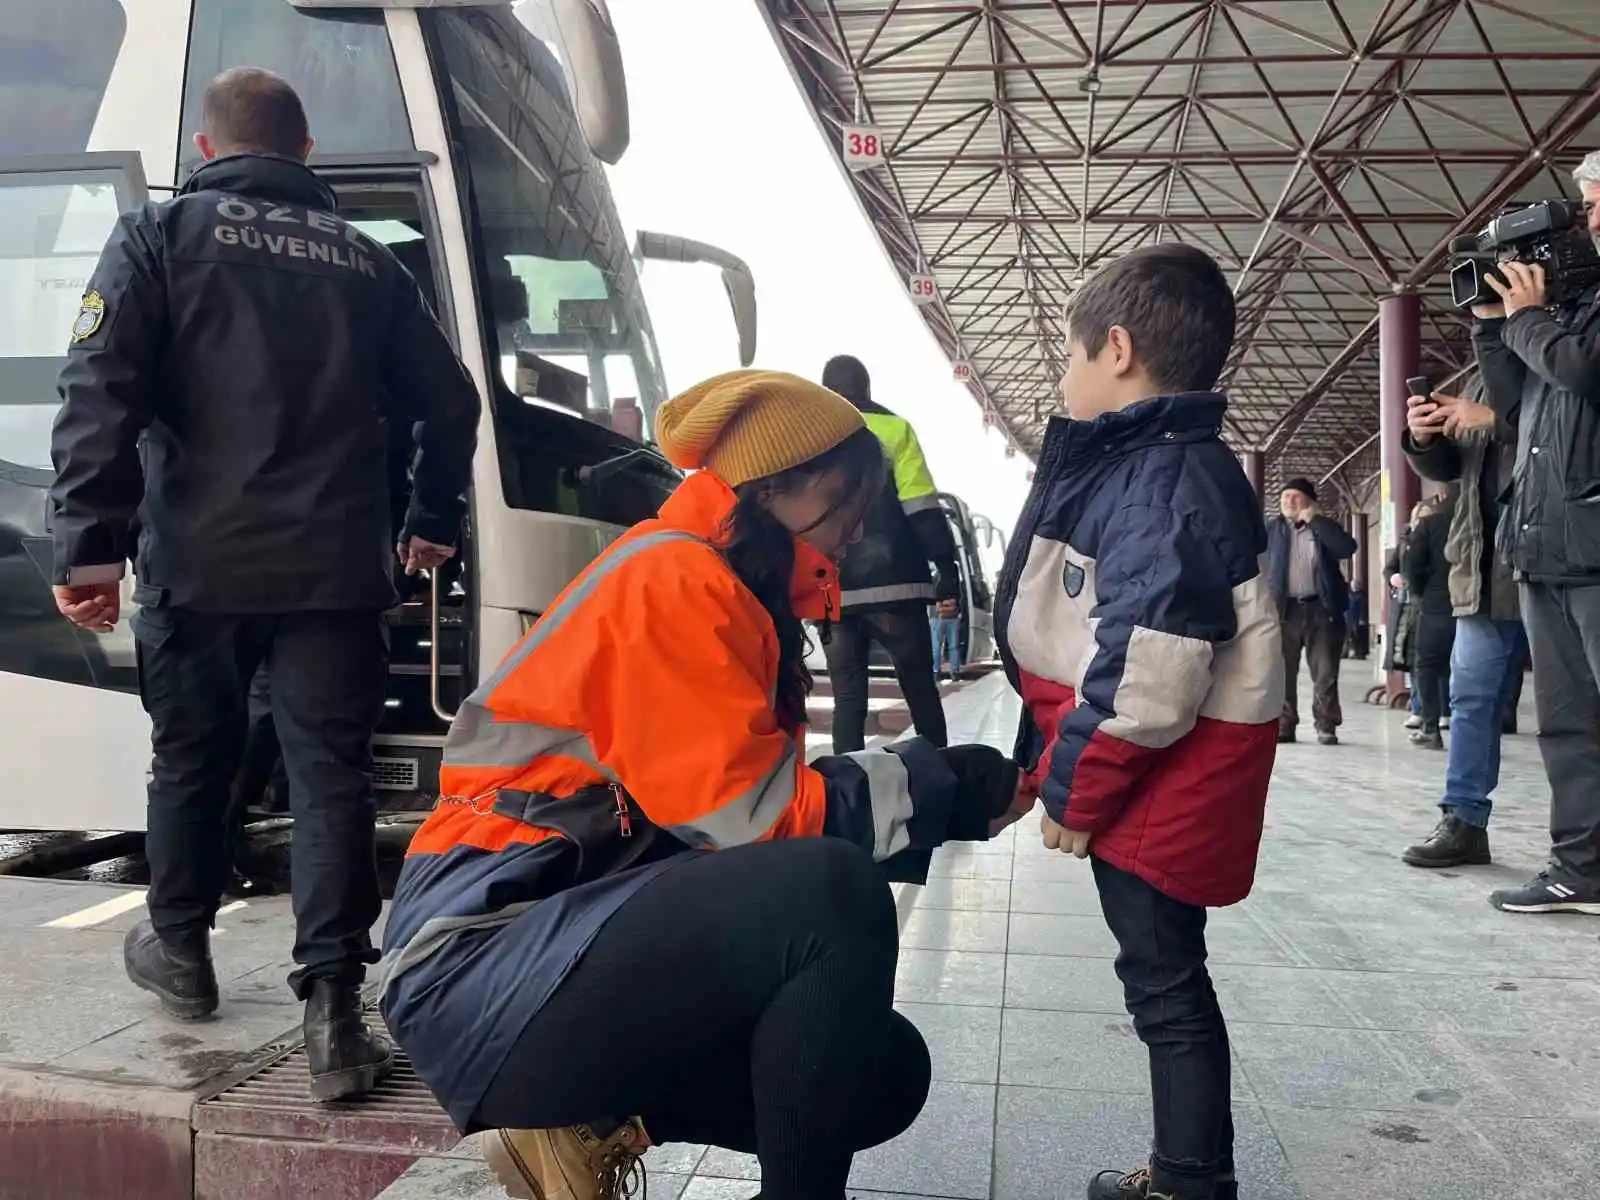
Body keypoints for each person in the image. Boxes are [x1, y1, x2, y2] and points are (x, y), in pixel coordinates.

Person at [378, 371, 1035, 1200]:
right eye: (844, 504)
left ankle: (587, 1126)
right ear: (771, 493)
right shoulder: (677, 583)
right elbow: (758, 826)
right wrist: (939, 788)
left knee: (880, 1069)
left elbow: (742, 801)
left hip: (563, 929)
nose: (856, 530)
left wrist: (937, 791)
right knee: (831, 889)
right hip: (482, 953)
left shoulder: (733, 592)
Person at [49, 69, 480, 1099]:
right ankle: (334, 1012)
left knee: (189, 760)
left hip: (200, 561)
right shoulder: (367, 263)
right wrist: (426, 525)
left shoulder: (160, 236)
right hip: (335, 569)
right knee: (328, 773)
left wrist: (88, 548)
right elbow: (451, 403)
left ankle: (181, 953)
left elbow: (99, 386)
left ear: (206, 148)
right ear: (308, 154)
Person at [996, 244, 1283, 1200]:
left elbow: (1149, 676)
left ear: (1116, 348)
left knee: (1166, 989)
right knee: (1166, 983)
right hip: (1166, 781)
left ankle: (1192, 1184)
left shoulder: (1163, 484)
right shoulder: (1164, 470)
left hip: (1163, 783)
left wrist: (1076, 792)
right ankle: (1184, 1171)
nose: (1064, 381)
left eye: (1069, 358)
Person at [1421, 148, 1600, 915]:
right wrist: (1496, 326)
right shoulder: (1570, 310)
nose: (1588, 221)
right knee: (1567, 726)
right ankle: (1581, 868)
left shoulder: (1575, 322)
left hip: (1592, 547)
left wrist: (1529, 317)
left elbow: (1587, 369)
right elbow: (1518, 406)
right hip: (1546, 548)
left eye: (1595, 205)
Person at [1399, 387, 1527, 869]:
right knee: (1471, 699)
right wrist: (1425, 439)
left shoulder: (1572, 344)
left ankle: (1580, 842)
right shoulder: (1481, 377)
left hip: (1565, 565)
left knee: (1575, 712)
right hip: (1484, 567)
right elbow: (1451, 468)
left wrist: (1494, 418)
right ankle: (1464, 820)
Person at [817, 354, 959, 752]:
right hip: (897, 585)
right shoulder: (894, 429)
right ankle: (941, 773)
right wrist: (946, 568)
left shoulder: (809, 437)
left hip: (832, 593)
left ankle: (849, 791)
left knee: (847, 701)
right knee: (918, 688)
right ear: (866, 388)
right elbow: (921, 508)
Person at [1266, 477, 1358, 745]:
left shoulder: (1323, 529)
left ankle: (1326, 724)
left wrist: (1316, 521)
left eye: (1295, 497)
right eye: (1285, 497)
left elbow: (1347, 548)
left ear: (1310, 502)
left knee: (1326, 670)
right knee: (1283, 671)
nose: (1288, 501)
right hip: (1285, 610)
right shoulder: (1272, 530)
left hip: (1321, 608)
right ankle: (1284, 724)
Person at [1403, 492, 1457, 749]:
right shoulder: (1486, 519)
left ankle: (1430, 727)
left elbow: (1412, 566)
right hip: (1480, 606)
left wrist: (1421, 591)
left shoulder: (1431, 524)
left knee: (1427, 665)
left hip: (1437, 604)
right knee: (1471, 668)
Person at [930, 595, 962, 679]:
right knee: (953, 646)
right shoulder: (955, 582)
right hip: (953, 617)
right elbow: (958, 599)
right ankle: (954, 672)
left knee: (936, 646)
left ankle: (936, 671)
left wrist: (941, 605)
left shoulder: (933, 582)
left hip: (937, 617)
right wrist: (950, 604)